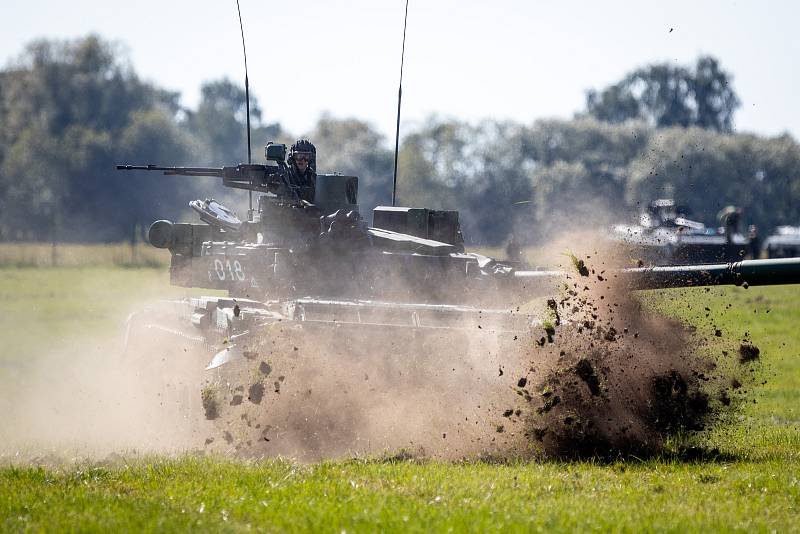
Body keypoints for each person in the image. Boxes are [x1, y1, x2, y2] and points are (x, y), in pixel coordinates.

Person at [287, 138, 317, 203]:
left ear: (310, 159)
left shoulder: (313, 177)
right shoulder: (286, 175)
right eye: (299, 156)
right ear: (292, 157)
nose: (302, 160)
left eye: (306, 156)